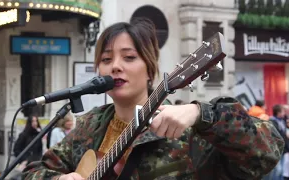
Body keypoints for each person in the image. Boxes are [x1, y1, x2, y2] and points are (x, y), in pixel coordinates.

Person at [22, 19, 284, 180]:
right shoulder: (89, 126)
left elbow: (267, 151)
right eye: (106, 59)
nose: (115, 66)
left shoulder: (187, 129)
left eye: (129, 57)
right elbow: (32, 172)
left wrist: (200, 114)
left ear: (150, 68)